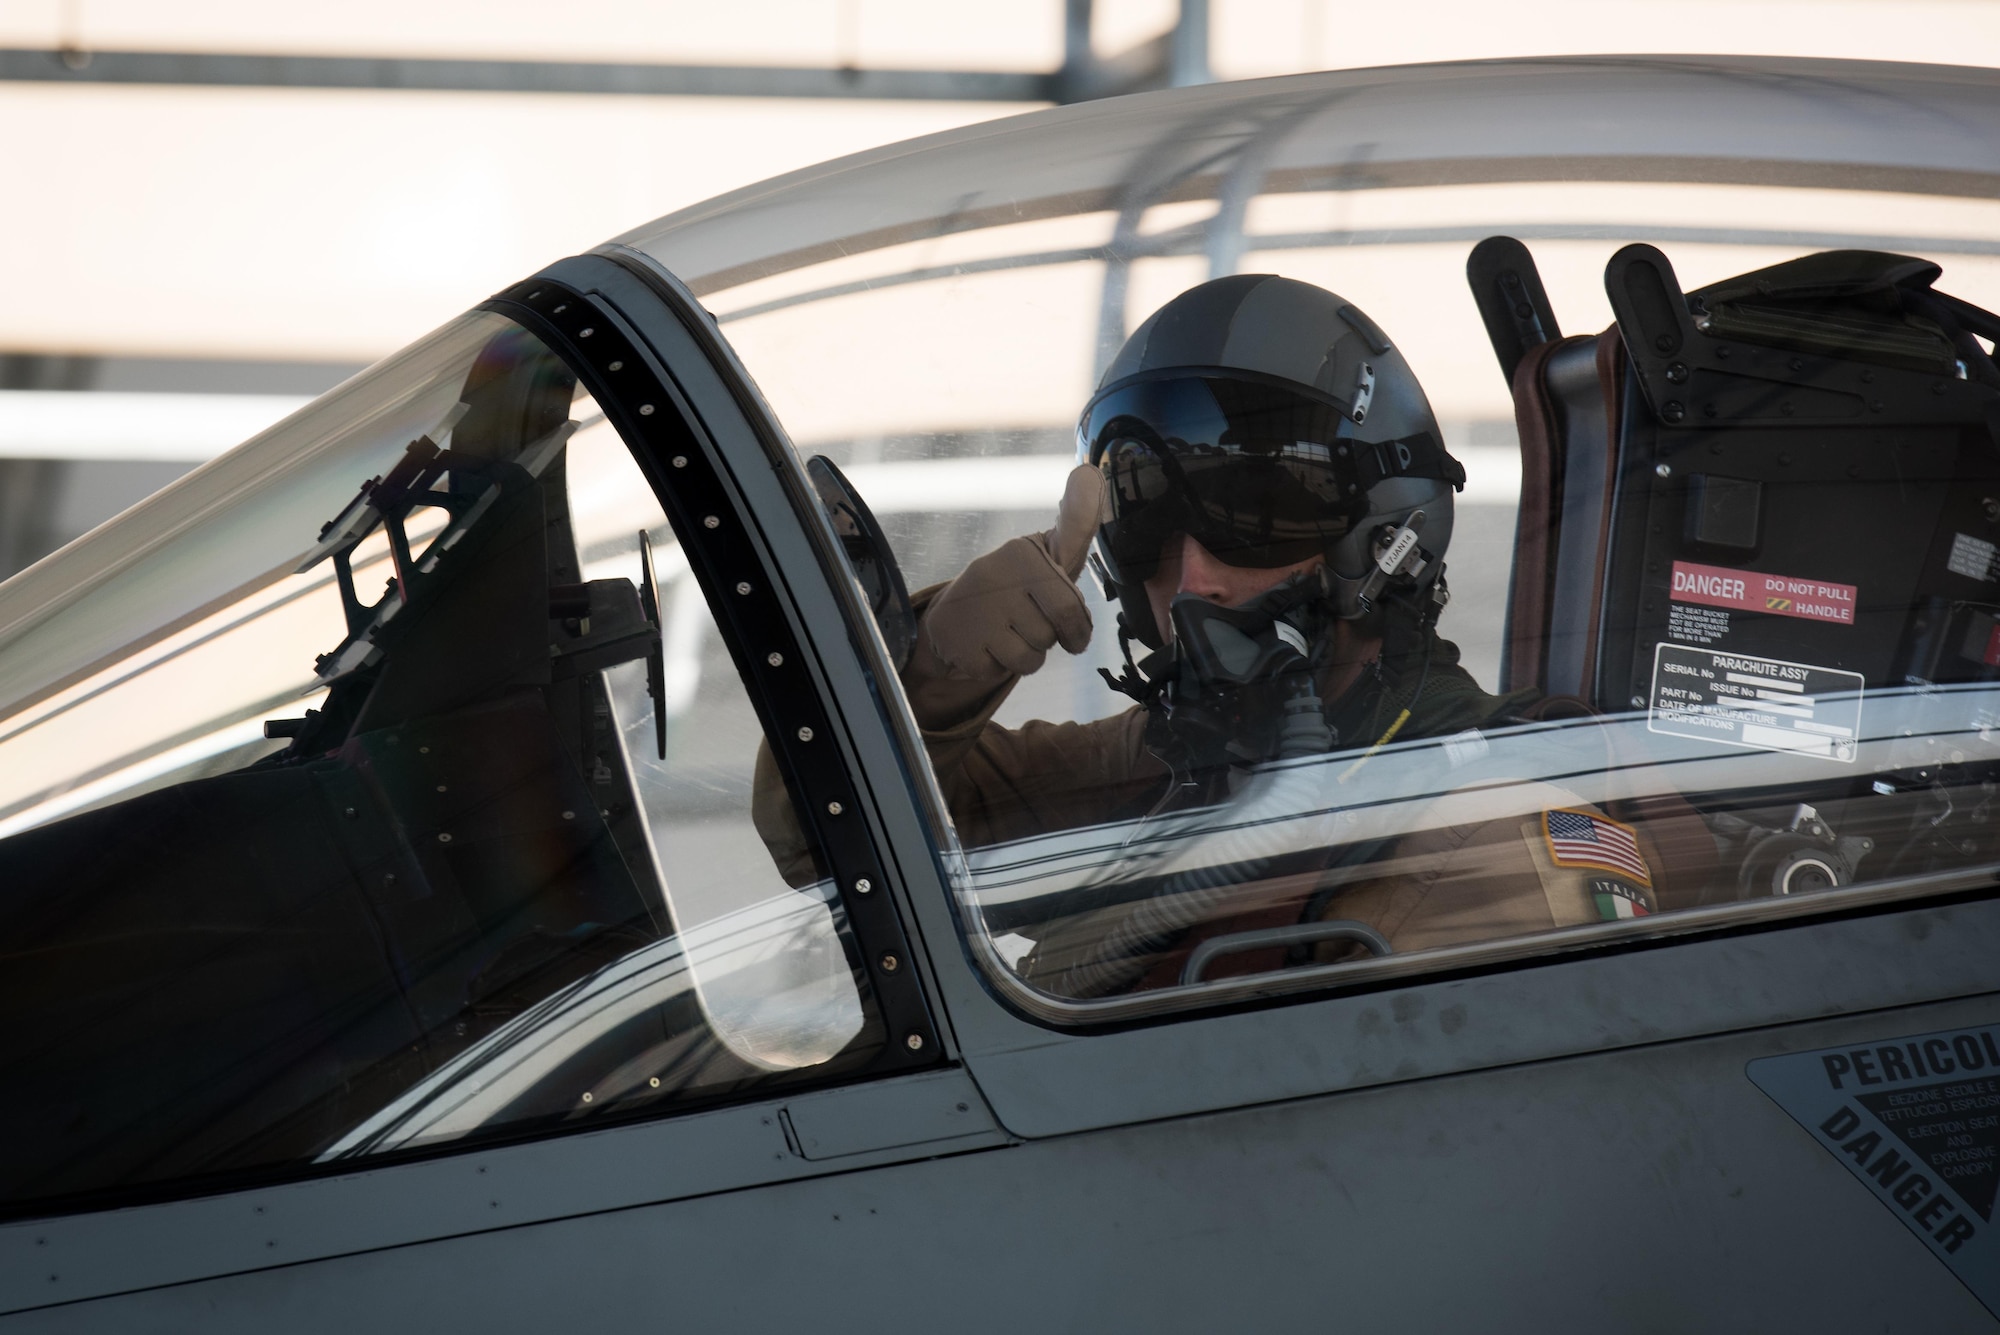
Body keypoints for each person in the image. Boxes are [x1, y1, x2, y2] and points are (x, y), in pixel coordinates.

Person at [760, 275, 1672, 996]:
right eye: (1147, 519)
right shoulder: (1177, 765)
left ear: (1385, 540)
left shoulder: (1491, 834)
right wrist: (934, 669)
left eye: (1255, 512)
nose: (1190, 579)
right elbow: (832, 839)